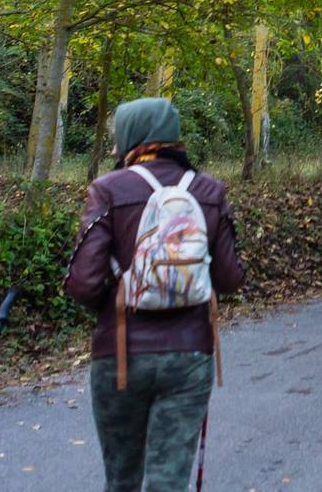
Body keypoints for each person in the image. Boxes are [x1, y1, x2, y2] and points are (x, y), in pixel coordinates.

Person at [65, 97, 246, 492]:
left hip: (121, 354)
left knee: (122, 480)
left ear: (133, 137)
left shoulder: (108, 189)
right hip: (190, 355)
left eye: (117, 138)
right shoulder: (209, 190)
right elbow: (231, 278)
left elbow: (82, 282)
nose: (114, 148)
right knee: (168, 482)